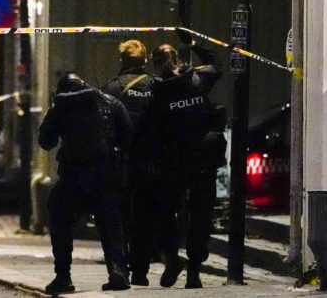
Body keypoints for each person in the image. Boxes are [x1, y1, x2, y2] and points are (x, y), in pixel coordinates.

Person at [39, 72, 133, 294]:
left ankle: (63, 276)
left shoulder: (62, 106)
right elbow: (128, 137)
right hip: (105, 176)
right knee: (111, 224)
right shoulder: (110, 103)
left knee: (59, 218)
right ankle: (118, 270)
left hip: (74, 177)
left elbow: (45, 141)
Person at [149, 29, 223, 289]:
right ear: (179, 61)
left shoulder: (156, 92)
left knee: (166, 213)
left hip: (173, 162)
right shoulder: (198, 80)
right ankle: (194, 271)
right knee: (201, 216)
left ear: (156, 65)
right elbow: (217, 65)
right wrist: (194, 43)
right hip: (203, 159)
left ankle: (172, 259)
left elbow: (149, 131)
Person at [104, 39, 156, 286]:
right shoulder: (156, 87)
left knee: (119, 217)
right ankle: (141, 271)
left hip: (119, 163)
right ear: (145, 61)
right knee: (144, 217)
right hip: (150, 162)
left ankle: (120, 268)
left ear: (122, 61)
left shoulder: (112, 89)